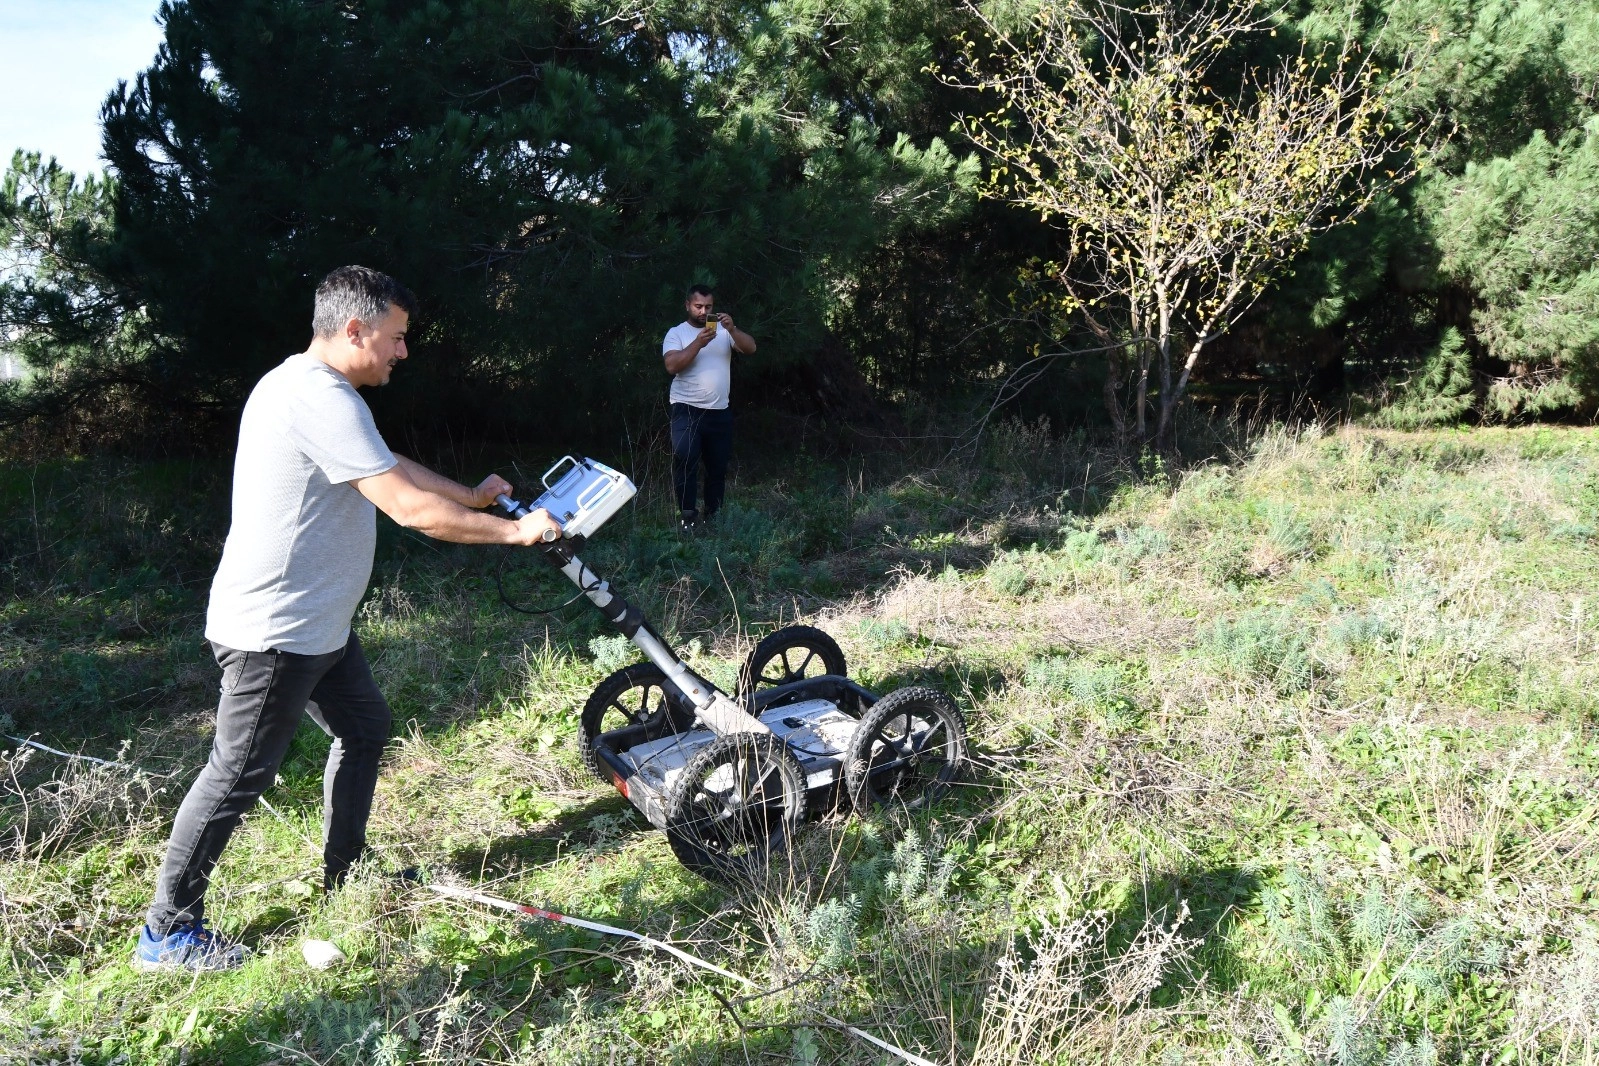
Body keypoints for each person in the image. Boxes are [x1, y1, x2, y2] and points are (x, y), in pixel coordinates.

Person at [133, 266, 560, 971]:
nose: (403, 352)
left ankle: (346, 873)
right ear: (355, 329)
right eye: (395, 338)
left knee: (363, 730)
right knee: (236, 775)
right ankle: (166, 933)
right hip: (276, 633)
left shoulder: (320, 391)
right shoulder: (315, 396)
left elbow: (387, 464)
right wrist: (517, 534)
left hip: (319, 627)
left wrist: (473, 497)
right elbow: (407, 508)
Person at [662, 284, 755, 530]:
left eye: (709, 307)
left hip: (719, 411)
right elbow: (672, 366)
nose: (704, 312)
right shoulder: (677, 333)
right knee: (686, 463)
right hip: (686, 409)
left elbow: (750, 348)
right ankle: (687, 518)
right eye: (698, 306)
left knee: (717, 467)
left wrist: (733, 329)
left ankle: (713, 517)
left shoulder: (724, 332)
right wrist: (697, 344)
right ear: (688, 306)